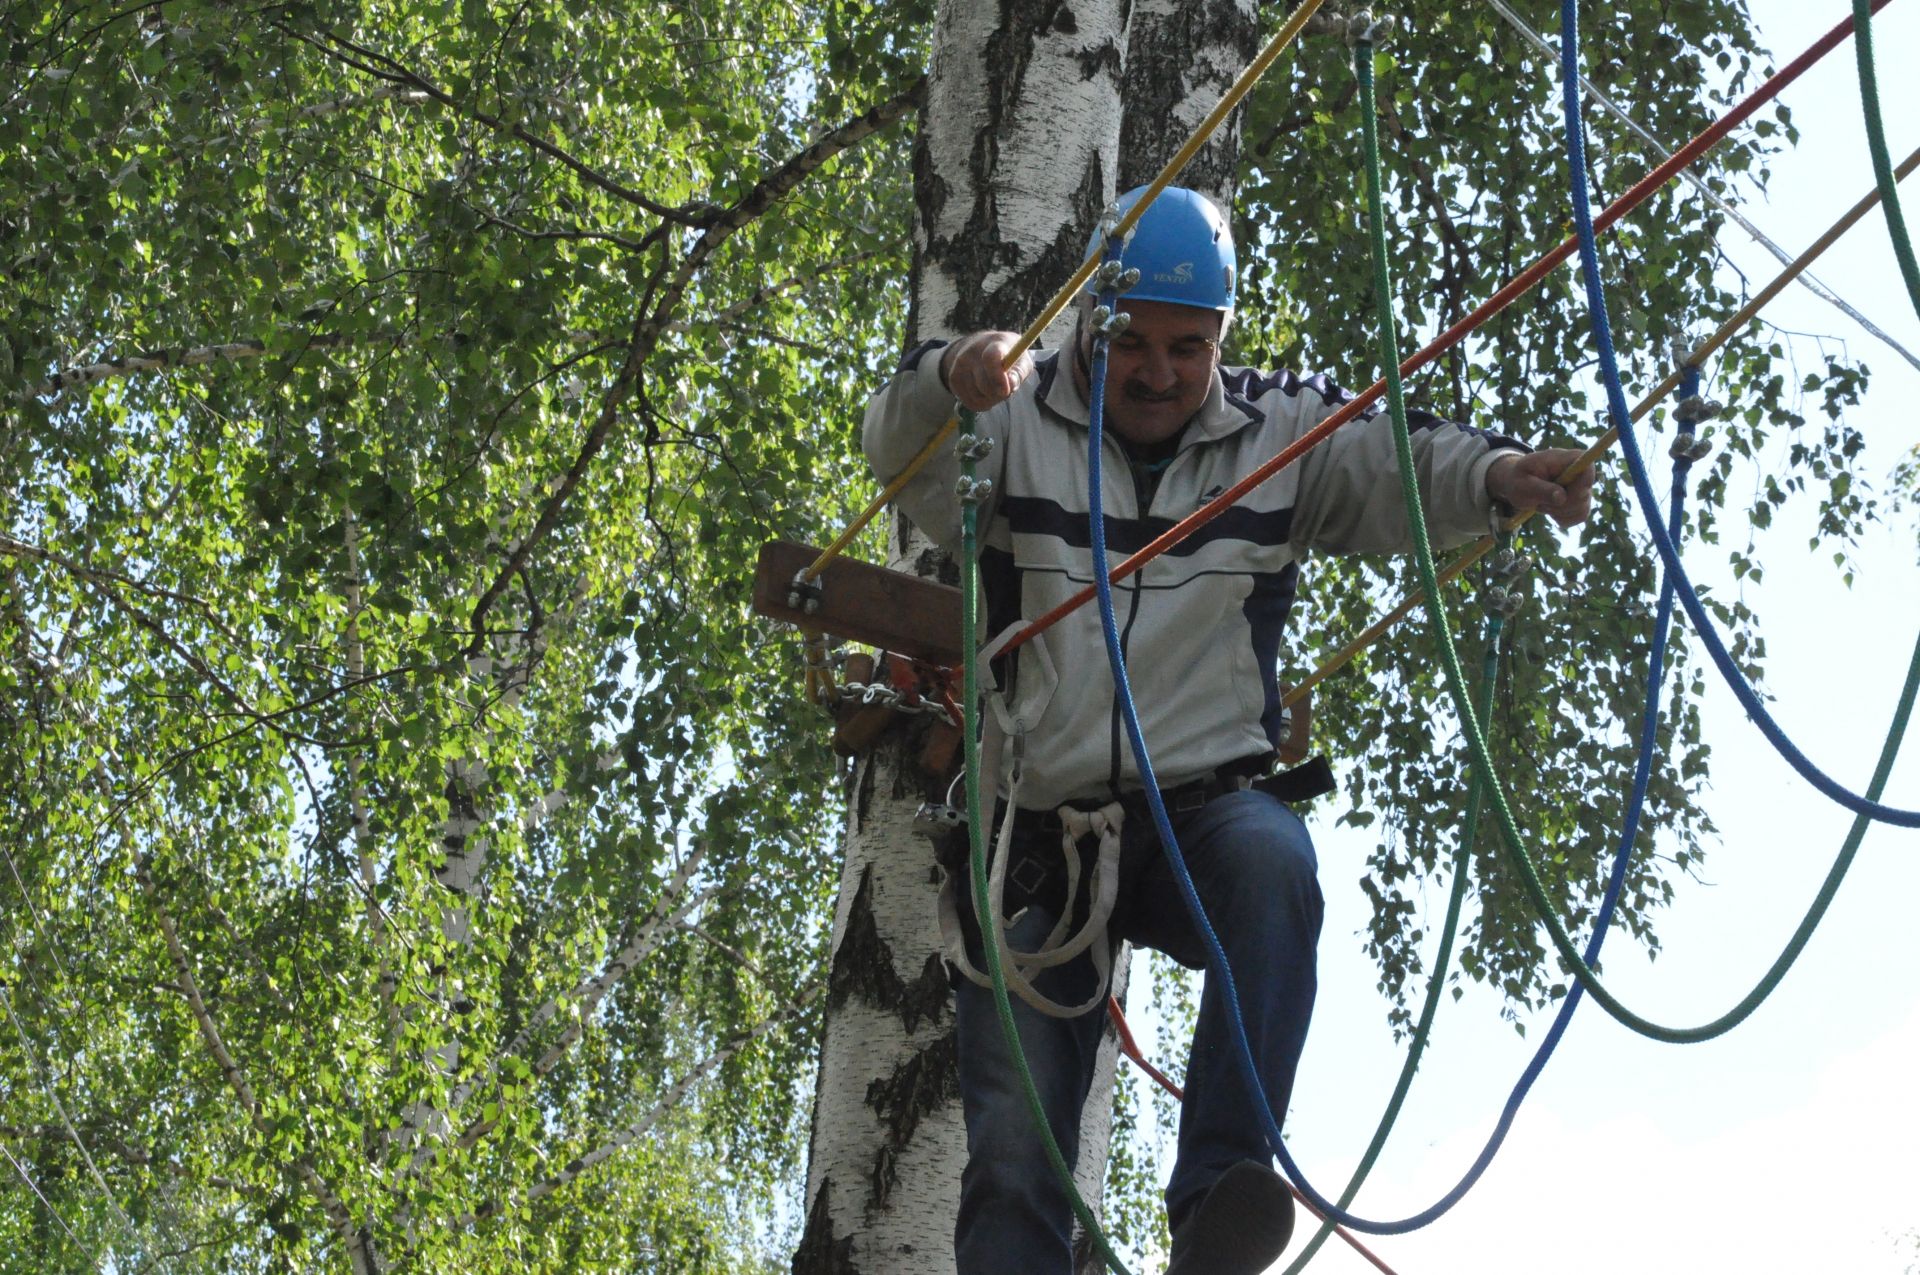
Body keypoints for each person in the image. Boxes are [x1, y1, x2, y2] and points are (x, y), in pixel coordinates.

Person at [861, 186, 1595, 1275]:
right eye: (1132, 343)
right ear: (1086, 327)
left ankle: (1218, 1201)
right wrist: (954, 371)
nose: (1158, 372)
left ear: (1224, 339)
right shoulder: (1013, 427)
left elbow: (1397, 453)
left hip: (1204, 814)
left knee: (1274, 866)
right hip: (1041, 838)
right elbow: (896, 445)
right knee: (1015, 1151)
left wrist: (1496, 476)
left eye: (1187, 348)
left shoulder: (1276, 432)